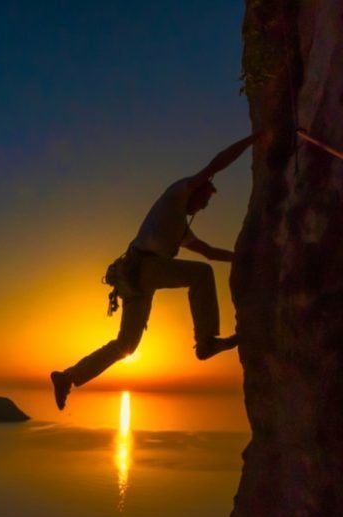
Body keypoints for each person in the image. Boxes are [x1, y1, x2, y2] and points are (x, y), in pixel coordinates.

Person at [51, 133, 259, 411]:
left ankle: (68, 377)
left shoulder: (179, 228)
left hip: (134, 278)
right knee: (202, 275)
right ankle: (206, 343)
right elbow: (216, 165)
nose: (201, 207)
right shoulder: (175, 195)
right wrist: (251, 141)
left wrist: (243, 258)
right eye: (202, 201)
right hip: (144, 268)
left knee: (126, 345)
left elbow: (208, 251)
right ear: (195, 190)